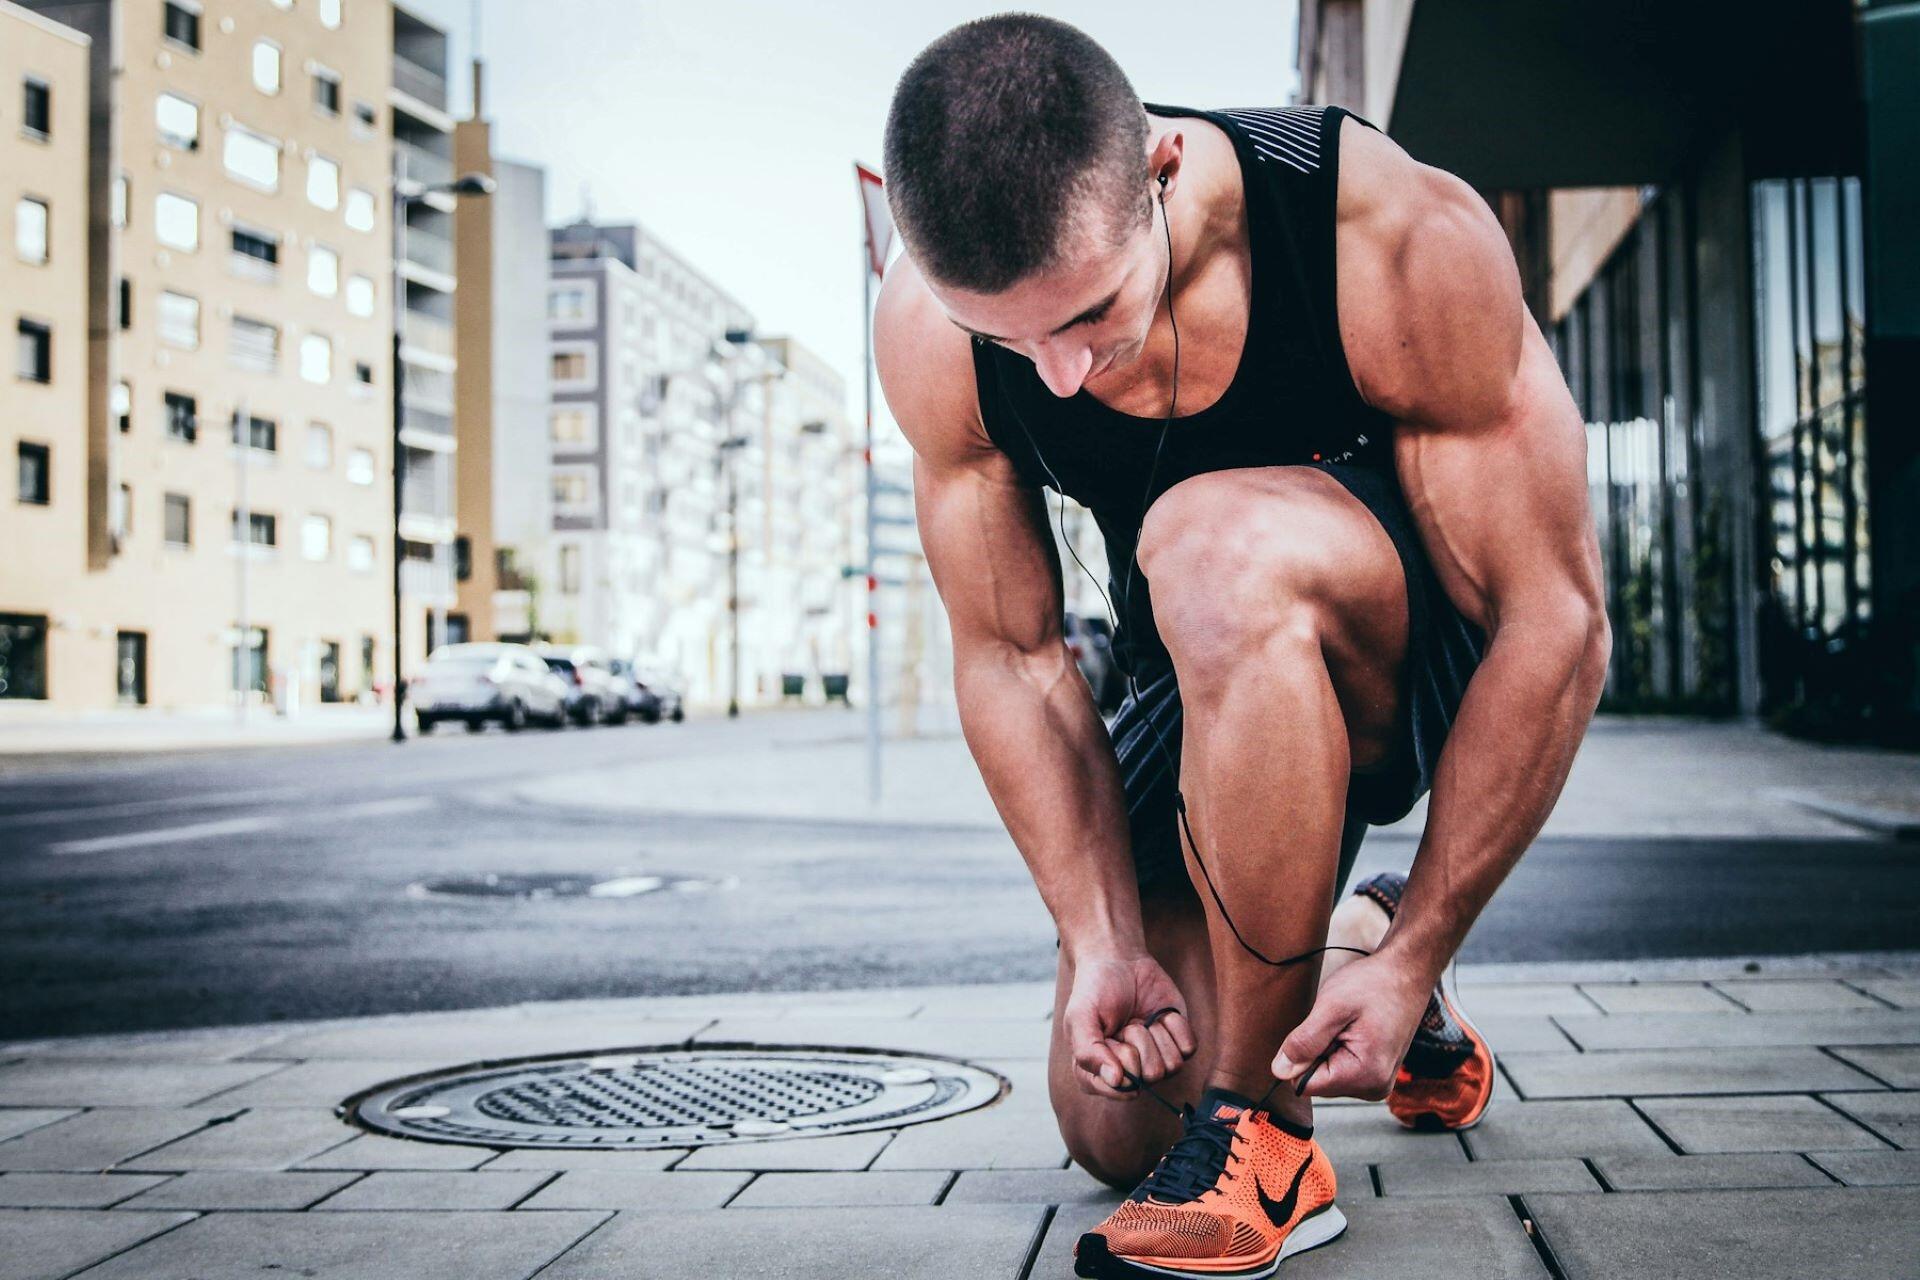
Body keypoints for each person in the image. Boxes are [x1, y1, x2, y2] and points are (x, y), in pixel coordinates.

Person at [874, 15, 1609, 1277]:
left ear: (1162, 171)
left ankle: (1266, 1140)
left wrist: (1442, 925)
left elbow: (1557, 618)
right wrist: (1099, 935)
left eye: (1091, 313)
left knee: (1207, 540)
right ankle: (1353, 955)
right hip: (1200, 665)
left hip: (1403, 648)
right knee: (1114, 1117)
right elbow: (1013, 655)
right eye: (1011, 340)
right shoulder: (933, 324)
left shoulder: (1376, 229)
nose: (1054, 375)